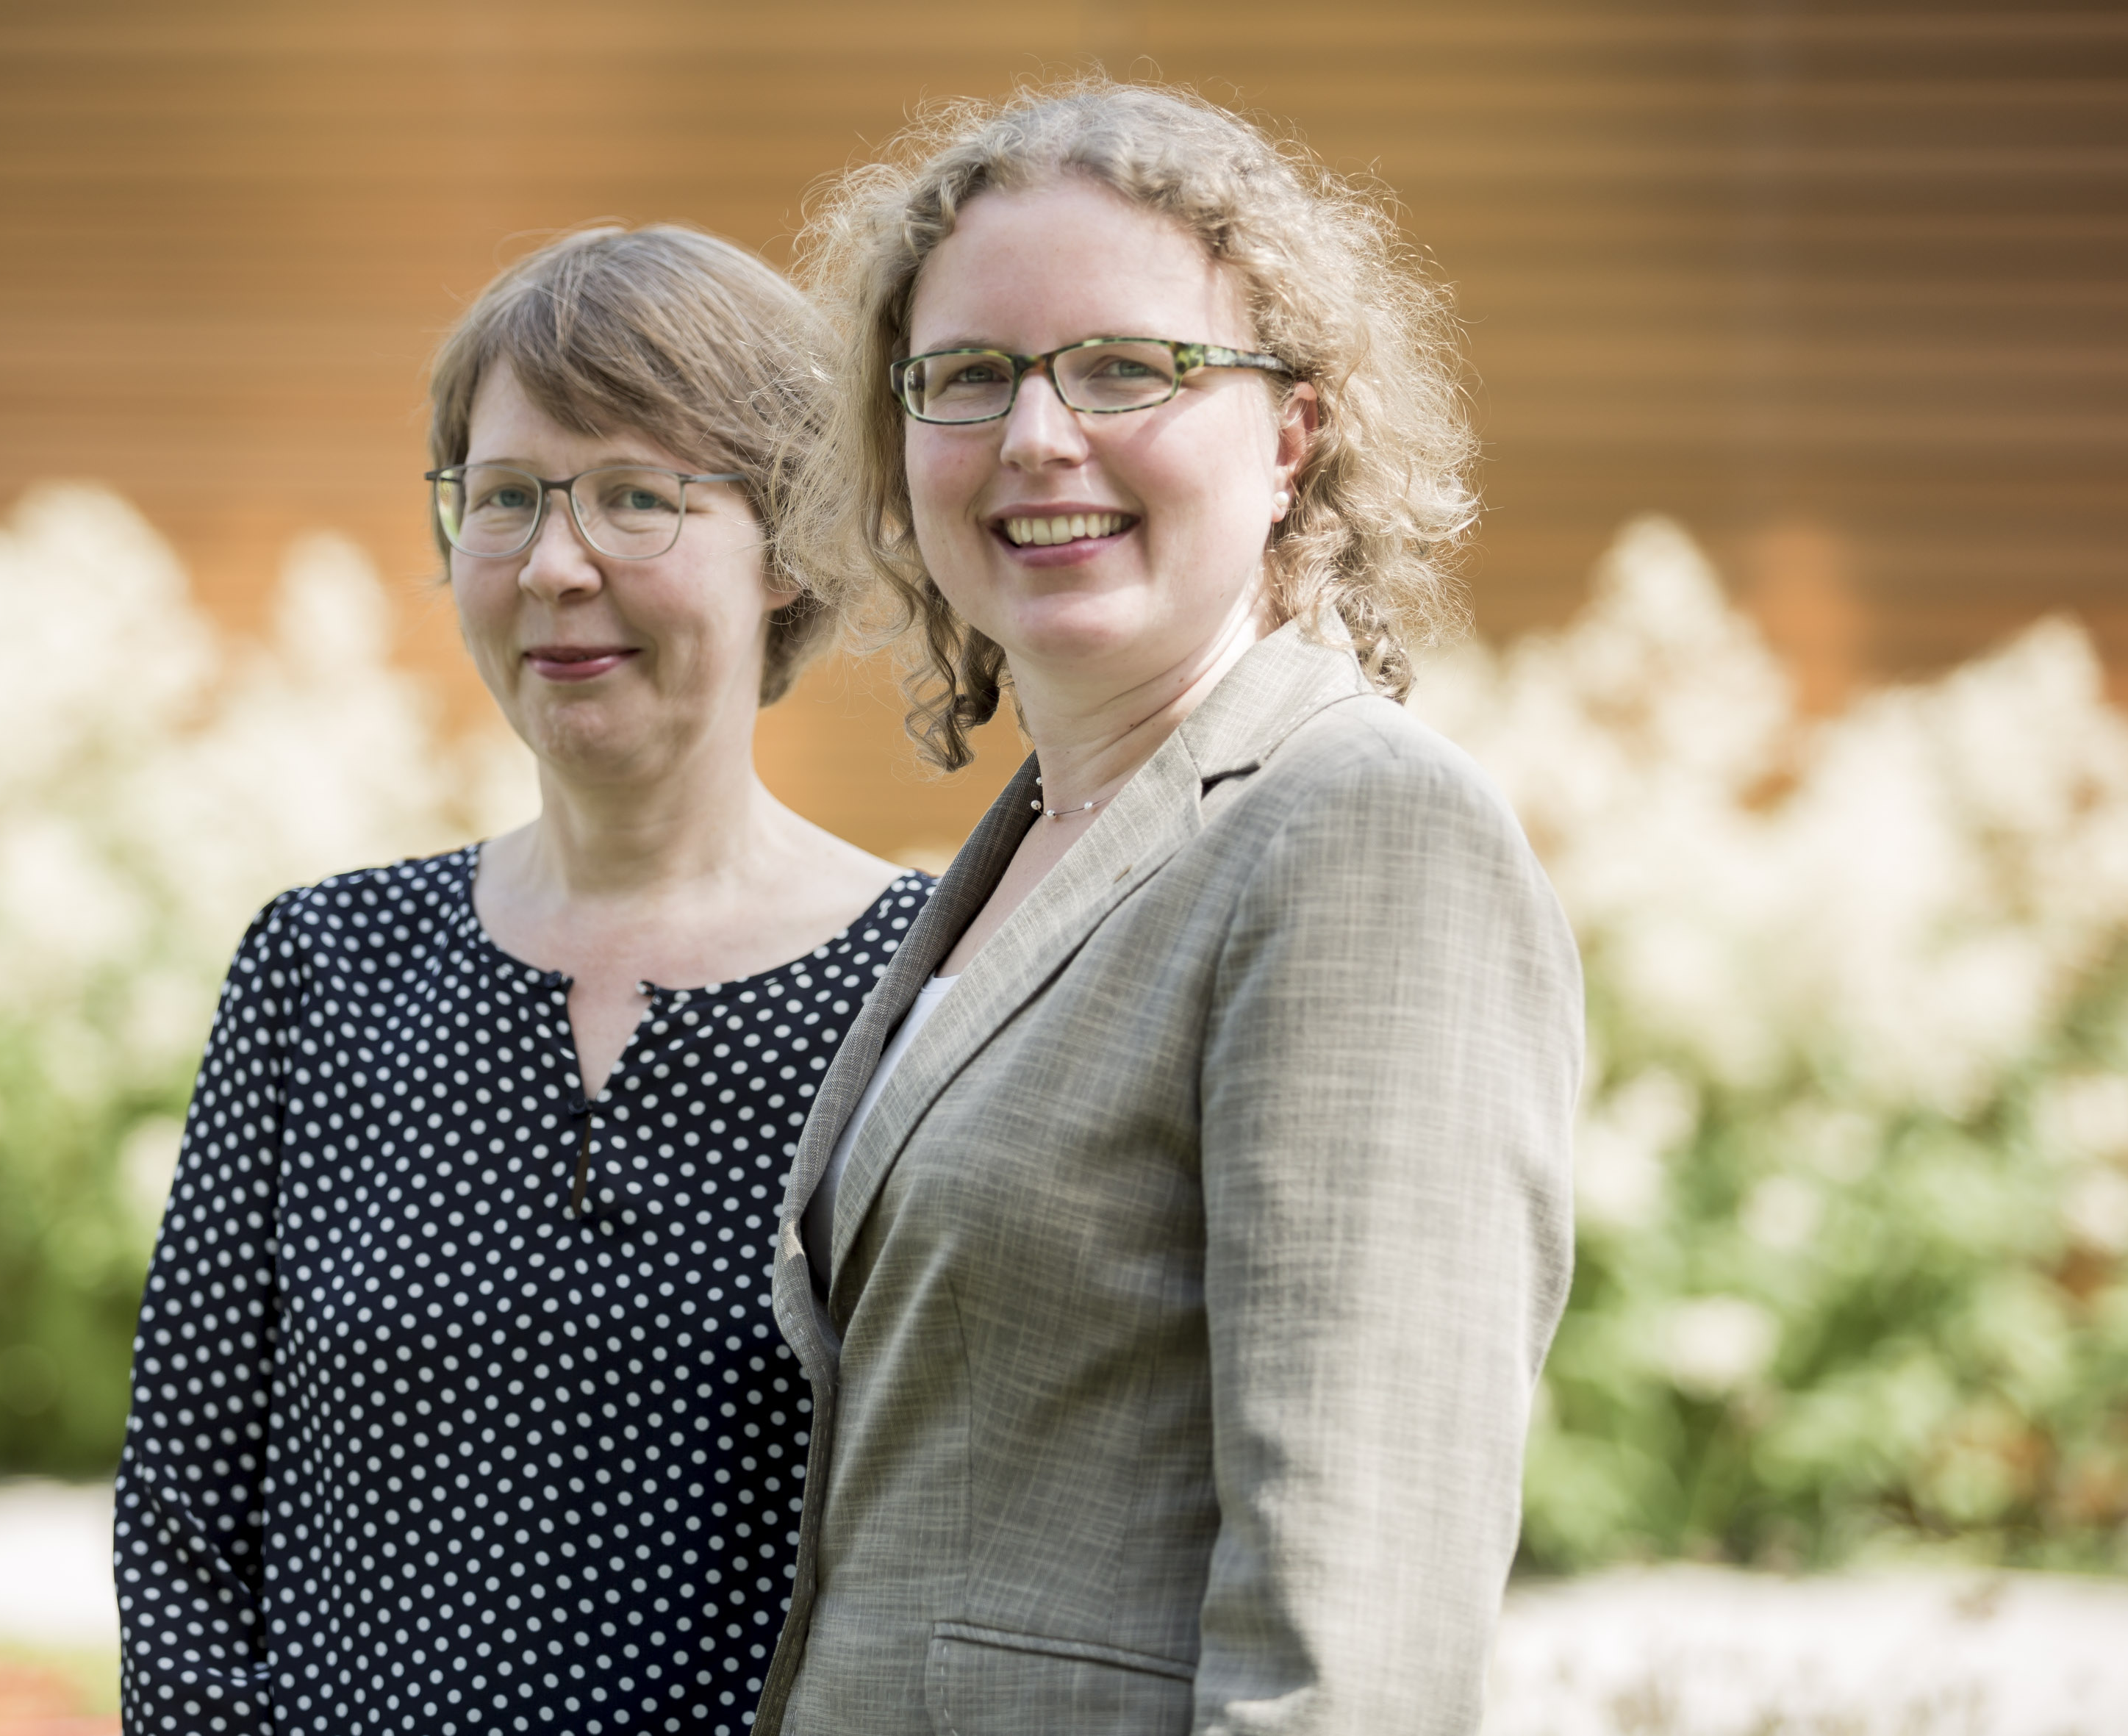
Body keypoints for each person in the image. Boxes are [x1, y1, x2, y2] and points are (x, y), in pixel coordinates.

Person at [759, 84, 1583, 1735]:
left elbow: (1354, 1630)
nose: (1035, 437)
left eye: (1125, 367)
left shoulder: (1359, 833)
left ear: (1290, 434)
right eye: (967, 376)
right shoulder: (1020, 857)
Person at [114, 225, 929, 1735]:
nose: (556, 564)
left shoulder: (935, 987)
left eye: (634, 495)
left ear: (794, 544)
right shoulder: (321, 971)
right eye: (503, 499)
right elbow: (180, 1536)